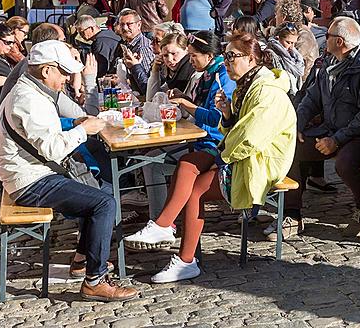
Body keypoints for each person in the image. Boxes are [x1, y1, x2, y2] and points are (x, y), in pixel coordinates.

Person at [125, 32, 296, 283]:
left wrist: (220, 157)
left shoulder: (265, 92)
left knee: (196, 189)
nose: (226, 62)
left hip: (262, 162)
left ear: (250, 59)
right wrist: (227, 115)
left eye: (231, 56)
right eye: (225, 56)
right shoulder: (246, 85)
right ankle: (165, 228)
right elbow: (234, 128)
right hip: (240, 154)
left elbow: (250, 137)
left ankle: (184, 258)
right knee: (187, 164)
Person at [0, 41, 136, 301]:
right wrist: (84, 130)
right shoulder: (29, 99)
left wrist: (74, 122)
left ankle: (83, 260)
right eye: (64, 72)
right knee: (104, 203)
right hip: (29, 180)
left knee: (99, 191)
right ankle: (95, 281)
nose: (68, 78)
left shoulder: (32, 91)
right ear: (46, 70)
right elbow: (52, 149)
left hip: (32, 172)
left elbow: (43, 129)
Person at [280, 17, 360, 239]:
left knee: (345, 163)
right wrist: (298, 123)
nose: (324, 39)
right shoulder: (329, 62)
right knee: (292, 148)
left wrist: (337, 140)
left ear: (340, 42)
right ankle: (292, 214)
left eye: (328, 36)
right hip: (331, 127)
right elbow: (312, 96)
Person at [142, 31, 235, 219]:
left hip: (214, 144)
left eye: (193, 56)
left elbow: (217, 119)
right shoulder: (206, 74)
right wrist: (185, 98)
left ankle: (162, 222)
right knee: (150, 158)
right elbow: (202, 108)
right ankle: (161, 220)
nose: (190, 61)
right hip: (198, 138)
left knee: (153, 164)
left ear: (209, 56)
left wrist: (186, 104)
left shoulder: (221, 76)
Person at [274, 0, 319, 82]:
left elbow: (293, 63)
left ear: (283, 17)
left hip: (303, 85)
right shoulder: (293, 32)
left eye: (276, 14)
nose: (275, 17)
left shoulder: (303, 35)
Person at [145, 32, 196, 104]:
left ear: (186, 51)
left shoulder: (193, 73)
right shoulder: (172, 76)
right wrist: (155, 70)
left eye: (174, 54)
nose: (170, 59)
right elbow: (151, 100)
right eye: (165, 55)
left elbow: (186, 113)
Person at [116, 9, 155, 95]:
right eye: (122, 24)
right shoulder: (128, 44)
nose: (125, 28)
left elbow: (147, 81)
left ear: (139, 24)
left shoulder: (143, 47)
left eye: (129, 24)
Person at [266, 23, 305, 98]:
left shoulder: (294, 56)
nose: (291, 47)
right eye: (288, 42)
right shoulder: (270, 55)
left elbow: (299, 72)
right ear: (278, 38)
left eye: (294, 43)